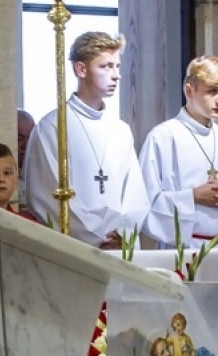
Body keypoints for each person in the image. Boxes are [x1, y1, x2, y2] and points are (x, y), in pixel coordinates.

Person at [23, 31, 148, 248]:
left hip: (121, 247)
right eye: (106, 67)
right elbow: (47, 195)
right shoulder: (53, 127)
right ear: (81, 69)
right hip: (76, 249)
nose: (116, 75)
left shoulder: (120, 130)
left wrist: (124, 233)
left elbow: (135, 194)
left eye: (117, 66)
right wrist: (98, 237)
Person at [137, 55, 218, 248]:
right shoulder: (163, 137)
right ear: (189, 90)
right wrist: (192, 197)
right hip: (184, 250)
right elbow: (144, 203)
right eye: (212, 91)